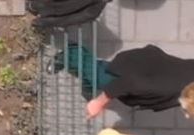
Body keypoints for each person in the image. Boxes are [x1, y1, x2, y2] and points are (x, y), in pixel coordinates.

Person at [58, 43, 194, 118]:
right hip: (128, 74)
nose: (187, 116)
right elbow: (130, 83)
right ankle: (68, 55)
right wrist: (99, 102)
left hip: (148, 66)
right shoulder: (167, 89)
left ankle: (81, 63)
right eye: (190, 112)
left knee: (100, 70)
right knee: (99, 76)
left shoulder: (185, 89)